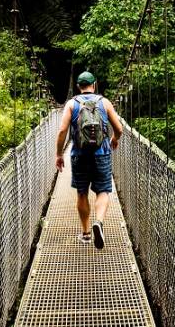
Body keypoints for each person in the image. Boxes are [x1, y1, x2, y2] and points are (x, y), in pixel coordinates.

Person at [55, 71, 123, 249]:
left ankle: (86, 234)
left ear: (78, 86)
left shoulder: (71, 104)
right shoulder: (104, 102)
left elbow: (62, 131)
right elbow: (119, 129)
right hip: (102, 154)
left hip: (79, 155)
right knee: (103, 191)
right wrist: (114, 139)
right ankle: (98, 223)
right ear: (94, 84)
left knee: (82, 192)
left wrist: (59, 154)